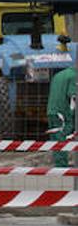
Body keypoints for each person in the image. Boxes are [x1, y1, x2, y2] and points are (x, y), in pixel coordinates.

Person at [48, 34, 76, 166]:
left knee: (56, 139)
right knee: (63, 137)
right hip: (63, 113)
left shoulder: (59, 75)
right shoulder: (73, 77)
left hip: (52, 110)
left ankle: (60, 165)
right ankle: (62, 166)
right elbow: (74, 97)